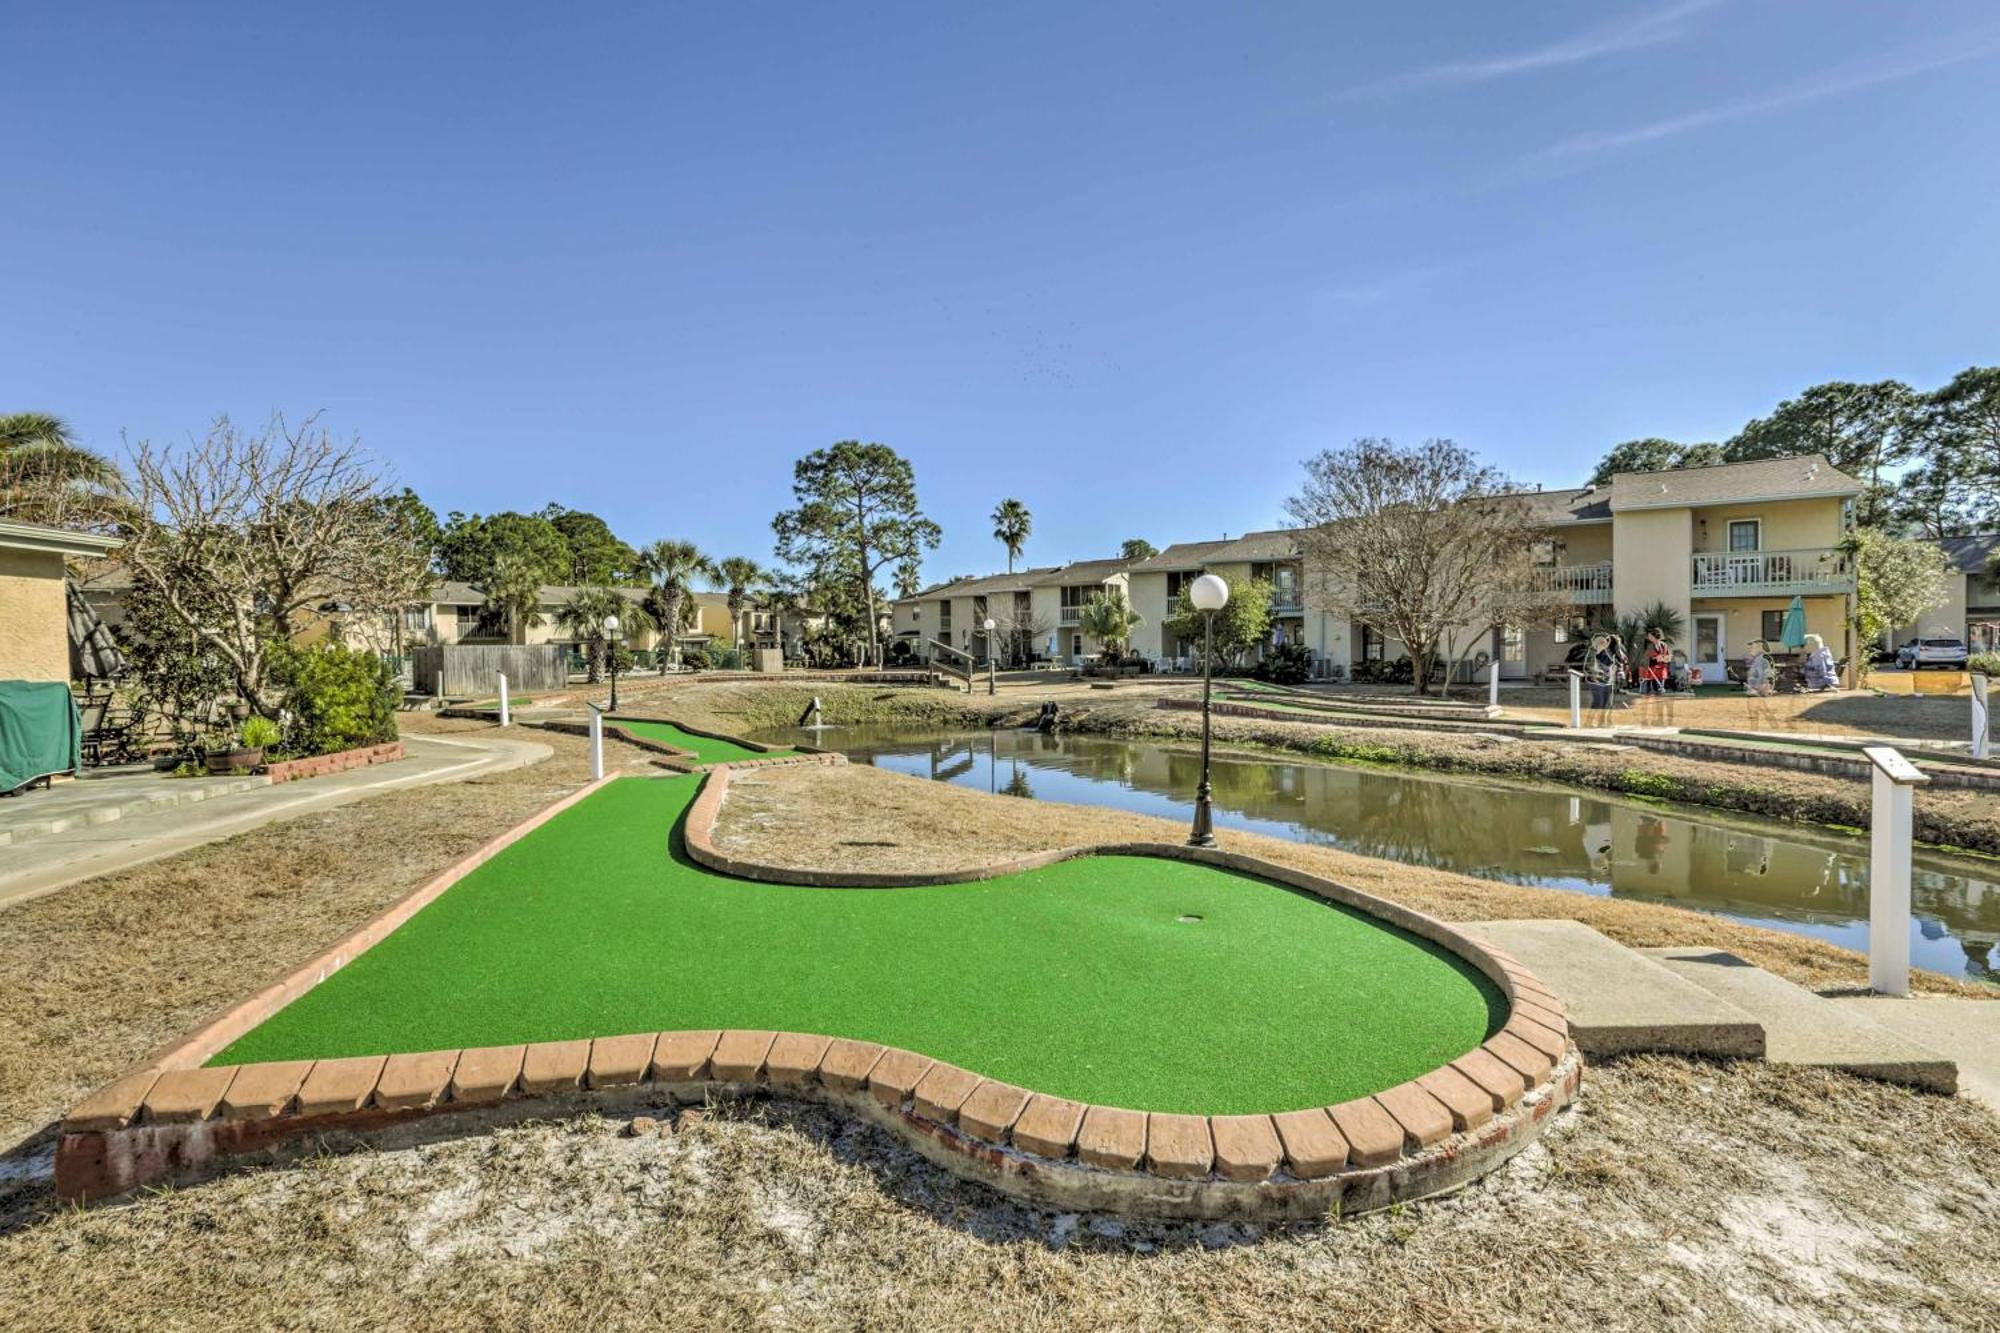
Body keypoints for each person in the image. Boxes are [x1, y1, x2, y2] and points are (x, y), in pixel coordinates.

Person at [1639, 627, 1670, 696]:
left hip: (1661, 671)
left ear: (1655, 636)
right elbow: (1646, 658)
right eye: (1648, 636)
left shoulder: (1664, 645)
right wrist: (1655, 659)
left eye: (1650, 636)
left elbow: (1667, 656)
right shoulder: (1649, 646)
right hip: (1651, 671)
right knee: (1648, 692)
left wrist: (1665, 659)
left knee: (1659, 691)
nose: (1649, 637)